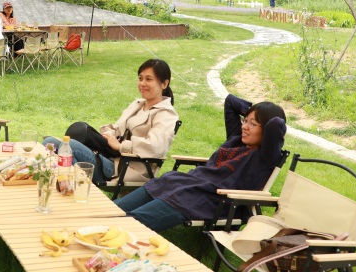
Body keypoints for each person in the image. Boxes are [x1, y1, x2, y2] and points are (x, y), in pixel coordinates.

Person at [114, 94, 286, 232]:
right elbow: (231, 101)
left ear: (267, 131)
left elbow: (276, 123)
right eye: (245, 120)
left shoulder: (265, 157)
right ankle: (104, 219)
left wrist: (265, 113)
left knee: (128, 223)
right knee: (114, 208)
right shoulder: (236, 140)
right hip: (182, 184)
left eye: (253, 124)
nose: (244, 127)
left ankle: (108, 231)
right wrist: (254, 112)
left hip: (205, 199)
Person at [43, 59, 179, 184]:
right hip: (110, 157)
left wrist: (121, 146)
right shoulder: (138, 104)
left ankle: (70, 188)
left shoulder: (166, 114)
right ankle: (61, 186)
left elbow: (155, 147)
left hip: (127, 167)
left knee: (70, 146)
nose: (142, 83)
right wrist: (107, 136)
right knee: (49, 143)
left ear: (164, 83)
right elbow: (118, 127)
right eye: (140, 78)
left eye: (148, 79)